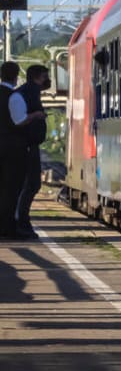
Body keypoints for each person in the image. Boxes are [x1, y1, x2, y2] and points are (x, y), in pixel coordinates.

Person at [5, 64, 49, 239]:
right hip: (26, 146)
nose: (48, 80)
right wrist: (37, 117)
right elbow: (20, 119)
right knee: (29, 184)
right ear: (38, 76)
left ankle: (21, 220)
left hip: (29, 145)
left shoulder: (30, 91)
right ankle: (21, 221)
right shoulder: (27, 92)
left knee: (28, 184)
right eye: (45, 76)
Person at [0, 61, 21, 238]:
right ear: (16, 76)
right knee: (11, 188)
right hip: (11, 149)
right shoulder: (14, 96)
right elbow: (19, 121)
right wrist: (34, 116)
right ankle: (8, 227)